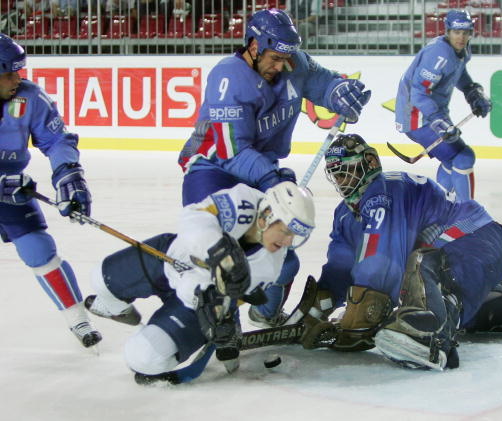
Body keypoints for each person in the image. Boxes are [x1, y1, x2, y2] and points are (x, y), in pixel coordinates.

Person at [178, 8, 371, 329]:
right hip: (212, 170)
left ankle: (263, 315)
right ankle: (209, 321)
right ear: (254, 45)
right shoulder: (229, 77)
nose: (281, 66)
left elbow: (324, 84)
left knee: (283, 258)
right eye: (274, 58)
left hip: (262, 171)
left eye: (286, 58)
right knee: (225, 256)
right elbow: (233, 151)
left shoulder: (292, 63)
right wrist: (273, 179)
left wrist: (341, 93)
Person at [300, 133, 502, 370]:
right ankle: (493, 303)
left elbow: (380, 262)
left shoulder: (384, 191)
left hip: (477, 239)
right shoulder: (345, 214)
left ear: (369, 163)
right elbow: (341, 266)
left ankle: (432, 336)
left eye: (347, 171)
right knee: (418, 276)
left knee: (422, 265)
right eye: (337, 174)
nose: (342, 180)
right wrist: (318, 307)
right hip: (468, 252)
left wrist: (363, 316)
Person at [84, 181, 315, 380]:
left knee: (142, 358)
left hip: (196, 301)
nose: (288, 241)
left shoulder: (270, 265)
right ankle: (120, 310)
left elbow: (222, 292)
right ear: (266, 217)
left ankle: (223, 327)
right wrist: (217, 248)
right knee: (100, 279)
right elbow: (194, 215)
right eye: (285, 231)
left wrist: (218, 311)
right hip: (169, 258)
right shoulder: (243, 201)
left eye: (293, 235)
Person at [0, 34, 101, 348]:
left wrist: (69, 176)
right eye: (8, 73)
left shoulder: (29, 98)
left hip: (9, 192)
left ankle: (78, 320)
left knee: (39, 248)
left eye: (18, 71)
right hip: (7, 187)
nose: (18, 78)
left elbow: (57, 141)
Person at [394, 10, 492, 201]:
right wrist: (439, 122)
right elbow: (418, 94)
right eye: (456, 32)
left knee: (451, 160)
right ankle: (468, 214)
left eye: (465, 33)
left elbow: (458, 74)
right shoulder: (439, 54)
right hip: (417, 116)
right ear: (448, 31)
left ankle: (439, 209)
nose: (461, 37)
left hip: (431, 113)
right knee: (464, 158)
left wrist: (472, 93)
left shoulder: (461, 50)